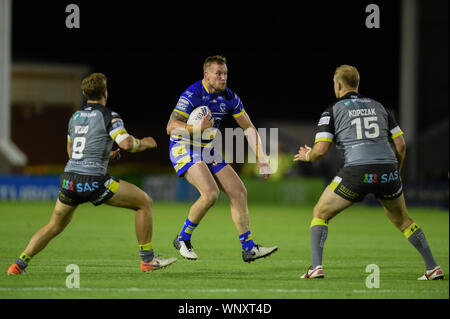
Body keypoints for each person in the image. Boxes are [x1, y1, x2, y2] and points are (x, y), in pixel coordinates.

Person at [7, 73, 177, 275]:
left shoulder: (75, 118)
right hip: (94, 181)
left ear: (84, 93)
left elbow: (71, 153)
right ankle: (148, 260)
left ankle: (18, 264)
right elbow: (127, 144)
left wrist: (105, 156)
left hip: (70, 181)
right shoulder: (109, 116)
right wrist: (146, 143)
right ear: (105, 92)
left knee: (54, 225)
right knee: (144, 202)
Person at [293, 65, 444, 280]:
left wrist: (307, 155)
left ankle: (316, 267)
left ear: (337, 85)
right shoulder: (380, 107)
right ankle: (432, 267)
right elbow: (400, 145)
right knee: (404, 222)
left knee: (320, 213)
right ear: (357, 84)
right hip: (388, 170)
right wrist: (397, 172)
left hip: (357, 171)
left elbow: (320, 150)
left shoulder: (332, 110)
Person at [166, 55, 278, 262]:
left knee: (239, 192)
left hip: (206, 149)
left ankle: (249, 248)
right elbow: (171, 127)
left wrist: (261, 158)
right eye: (218, 73)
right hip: (184, 147)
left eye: (225, 73)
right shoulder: (192, 94)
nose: (223, 77)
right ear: (206, 75)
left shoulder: (230, 97)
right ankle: (182, 238)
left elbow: (248, 127)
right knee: (210, 194)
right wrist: (197, 128)